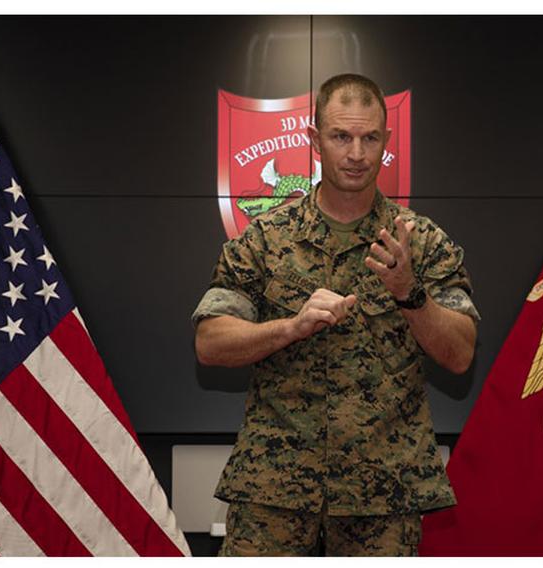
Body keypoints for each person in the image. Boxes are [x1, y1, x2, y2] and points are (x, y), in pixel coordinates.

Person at [192, 73, 480, 556]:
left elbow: (460, 355)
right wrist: (290, 327)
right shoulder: (267, 238)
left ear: (386, 142)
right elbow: (209, 342)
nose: (356, 153)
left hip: (383, 493)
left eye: (370, 138)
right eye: (341, 137)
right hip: (275, 488)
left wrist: (410, 293)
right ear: (314, 141)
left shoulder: (421, 241)